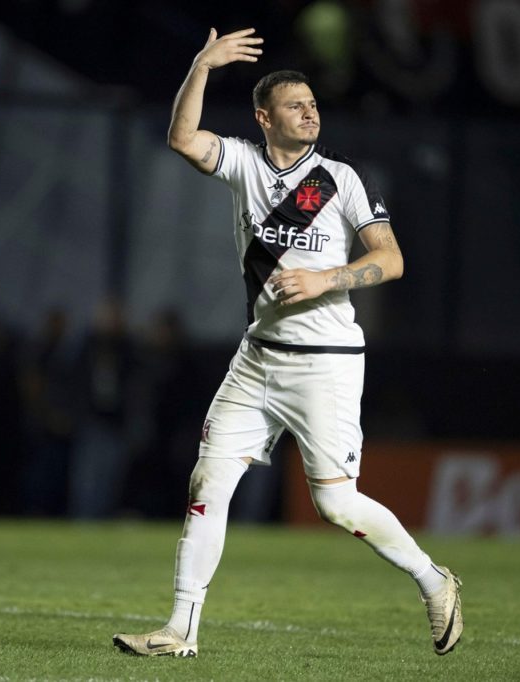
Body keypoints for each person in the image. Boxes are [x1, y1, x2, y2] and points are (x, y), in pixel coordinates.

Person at [113, 27, 462, 658]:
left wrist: (329, 277)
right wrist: (201, 65)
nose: (310, 111)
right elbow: (182, 139)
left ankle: (433, 580)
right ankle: (180, 630)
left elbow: (392, 259)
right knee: (207, 482)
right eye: (296, 104)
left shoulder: (339, 179)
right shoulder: (244, 162)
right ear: (263, 117)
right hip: (256, 359)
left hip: (325, 365)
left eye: (313, 104)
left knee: (334, 503)